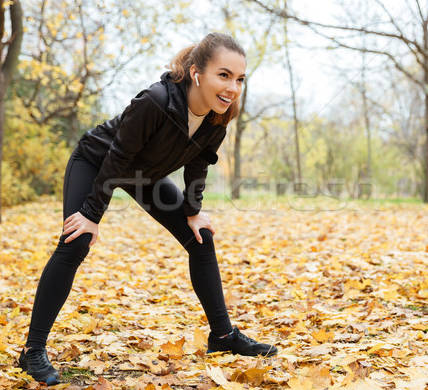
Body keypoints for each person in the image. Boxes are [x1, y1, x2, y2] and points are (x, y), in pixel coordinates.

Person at [18, 32, 278, 385]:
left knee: (199, 237)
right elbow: (118, 155)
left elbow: (199, 163)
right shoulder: (156, 101)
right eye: (224, 75)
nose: (232, 87)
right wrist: (92, 214)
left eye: (239, 79)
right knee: (75, 241)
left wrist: (192, 210)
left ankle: (223, 336)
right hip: (97, 162)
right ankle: (32, 351)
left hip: (145, 175)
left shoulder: (221, 113)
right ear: (196, 72)